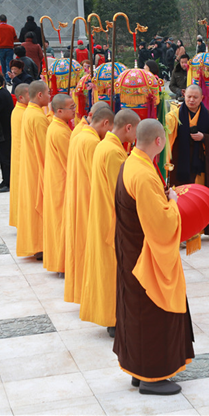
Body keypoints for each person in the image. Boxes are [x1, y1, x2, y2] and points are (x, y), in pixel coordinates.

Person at [113, 118, 194, 396]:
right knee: (151, 314)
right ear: (159, 142)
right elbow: (160, 226)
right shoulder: (145, 175)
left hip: (130, 253)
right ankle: (152, 376)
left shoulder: (131, 162)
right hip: (144, 259)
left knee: (135, 313)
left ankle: (138, 370)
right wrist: (173, 202)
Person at [80, 109, 141, 335]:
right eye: (136, 131)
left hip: (102, 216)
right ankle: (116, 319)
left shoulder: (103, 145)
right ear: (128, 127)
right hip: (113, 221)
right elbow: (123, 192)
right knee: (114, 271)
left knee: (108, 270)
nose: (136, 137)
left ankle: (113, 317)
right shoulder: (114, 152)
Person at [64, 106, 114, 303]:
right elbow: (97, 177)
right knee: (88, 249)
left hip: (77, 195)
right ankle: (88, 294)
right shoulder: (93, 142)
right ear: (105, 123)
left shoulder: (79, 135)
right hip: (88, 200)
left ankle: (79, 291)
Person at [167, 85, 209, 236]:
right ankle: (183, 228)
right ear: (183, 95)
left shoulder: (208, 116)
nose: (191, 100)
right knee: (183, 198)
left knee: (199, 198)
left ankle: (199, 228)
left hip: (201, 165)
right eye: (189, 97)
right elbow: (167, 134)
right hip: (181, 165)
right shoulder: (175, 115)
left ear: (202, 98)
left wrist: (204, 138)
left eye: (195, 97)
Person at [15, 81, 50, 258]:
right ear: (40, 95)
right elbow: (46, 149)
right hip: (38, 168)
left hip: (31, 166)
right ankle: (41, 245)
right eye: (48, 93)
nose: (51, 97)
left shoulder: (29, 112)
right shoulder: (37, 117)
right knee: (40, 206)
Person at [42, 94, 75, 274]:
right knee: (63, 224)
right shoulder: (60, 131)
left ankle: (60, 263)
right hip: (61, 183)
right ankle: (63, 264)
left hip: (56, 181)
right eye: (71, 107)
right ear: (59, 110)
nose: (75, 109)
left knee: (59, 224)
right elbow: (69, 162)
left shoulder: (58, 126)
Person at [7, 84, 29, 227]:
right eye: (29, 94)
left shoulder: (19, 111)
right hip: (23, 157)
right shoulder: (24, 113)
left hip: (19, 156)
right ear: (21, 97)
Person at [0, 14, 18, 85]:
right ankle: (8, 79)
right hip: (9, 48)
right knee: (9, 63)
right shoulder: (11, 28)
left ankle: (3, 78)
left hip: (0, 48)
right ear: (6, 20)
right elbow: (15, 37)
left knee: (3, 64)